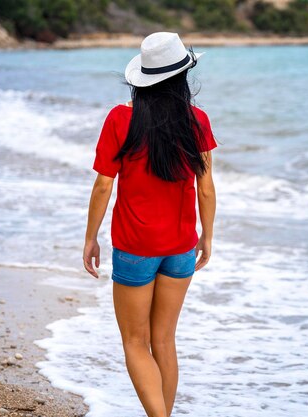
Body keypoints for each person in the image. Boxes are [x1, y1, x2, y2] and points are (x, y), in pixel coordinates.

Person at [82, 32, 217, 417]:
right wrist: (206, 236)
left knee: (136, 342)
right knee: (164, 341)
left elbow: (104, 184)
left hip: (135, 249)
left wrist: (91, 238)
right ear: (181, 78)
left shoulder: (121, 119)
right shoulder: (198, 121)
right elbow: (205, 188)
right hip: (180, 249)